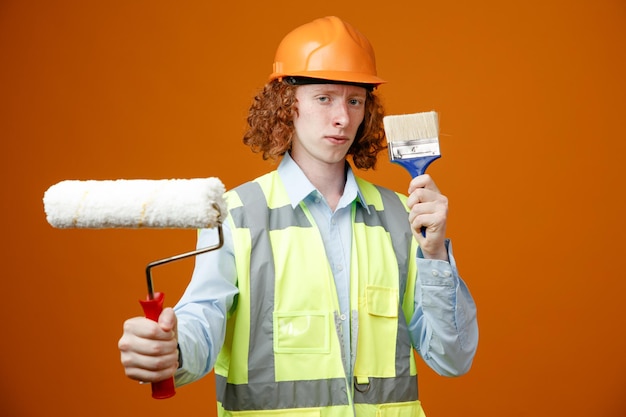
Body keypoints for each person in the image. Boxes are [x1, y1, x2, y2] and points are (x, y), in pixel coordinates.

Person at [118, 15, 478, 417]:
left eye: (354, 100)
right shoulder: (235, 216)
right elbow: (202, 321)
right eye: (324, 98)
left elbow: (453, 358)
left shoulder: (402, 218)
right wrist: (170, 348)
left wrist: (434, 256)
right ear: (286, 105)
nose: (342, 117)